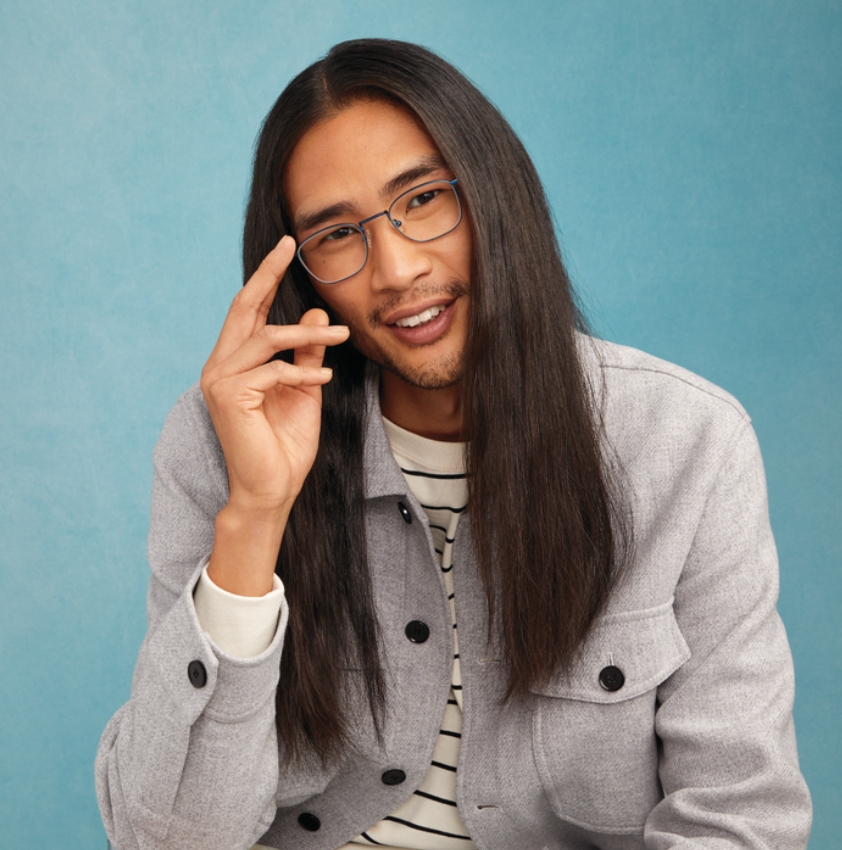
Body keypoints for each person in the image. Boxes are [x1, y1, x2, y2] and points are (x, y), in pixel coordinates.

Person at [96, 38, 811, 850]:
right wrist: (256, 516)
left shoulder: (689, 446)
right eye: (336, 235)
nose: (396, 269)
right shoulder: (219, 439)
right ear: (303, 279)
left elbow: (739, 819)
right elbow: (169, 840)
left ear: (496, 195)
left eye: (425, 198)